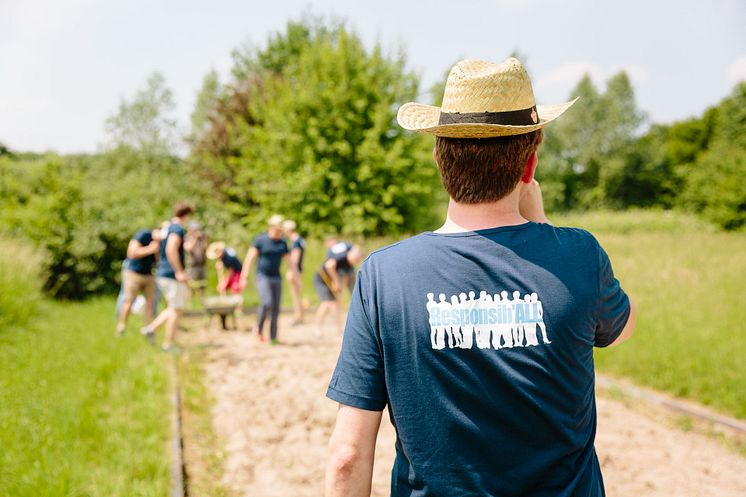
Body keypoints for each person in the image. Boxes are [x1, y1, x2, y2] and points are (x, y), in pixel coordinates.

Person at [325, 58, 637, 497]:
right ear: (529, 167)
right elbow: (621, 328)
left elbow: (348, 456)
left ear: (439, 158)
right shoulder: (579, 255)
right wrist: (544, 225)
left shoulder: (384, 274)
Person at [141, 202, 194, 351]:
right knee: (177, 310)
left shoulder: (167, 227)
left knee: (173, 308)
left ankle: (150, 329)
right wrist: (179, 271)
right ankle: (168, 344)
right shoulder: (177, 228)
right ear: (187, 215)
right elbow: (171, 249)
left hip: (163, 272)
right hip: (171, 274)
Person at [240, 214, 289, 345]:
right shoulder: (261, 240)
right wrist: (243, 277)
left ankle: (273, 337)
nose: (279, 232)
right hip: (263, 276)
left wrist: (294, 275)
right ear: (271, 227)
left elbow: (289, 261)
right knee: (267, 302)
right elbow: (250, 258)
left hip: (276, 277)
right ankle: (259, 329)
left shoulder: (283, 243)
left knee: (276, 307)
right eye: (277, 229)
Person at [115, 226, 163, 336]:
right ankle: (121, 326)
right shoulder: (144, 234)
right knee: (129, 301)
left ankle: (148, 329)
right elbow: (131, 253)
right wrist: (150, 249)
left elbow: (158, 260)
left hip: (149, 275)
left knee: (150, 303)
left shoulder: (160, 242)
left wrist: (157, 251)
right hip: (133, 273)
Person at [313, 243, 365, 335]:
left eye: (358, 261)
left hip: (332, 280)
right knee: (327, 303)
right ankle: (317, 328)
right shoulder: (342, 257)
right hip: (322, 278)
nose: (356, 262)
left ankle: (339, 328)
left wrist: (339, 286)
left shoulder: (350, 265)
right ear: (351, 254)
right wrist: (336, 280)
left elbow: (345, 278)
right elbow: (329, 266)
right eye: (356, 259)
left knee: (336, 303)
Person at [283, 219, 306, 324]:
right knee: (297, 293)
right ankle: (300, 315)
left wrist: (292, 271)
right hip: (299, 270)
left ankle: (299, 316)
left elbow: (295, 259)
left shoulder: (295, 241)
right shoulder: (300, 240)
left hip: (295, 271)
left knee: (295, 294)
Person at [185, 221, 208, 302]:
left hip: (202, 265)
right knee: (191, 285)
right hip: (192, 266)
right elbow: (189, 248)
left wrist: (204, 238)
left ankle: (202, 302)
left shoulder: (201, 239)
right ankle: (190, 303)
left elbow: (205, 248)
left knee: (202, 285)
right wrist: (194, 238)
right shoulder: (187, 238)